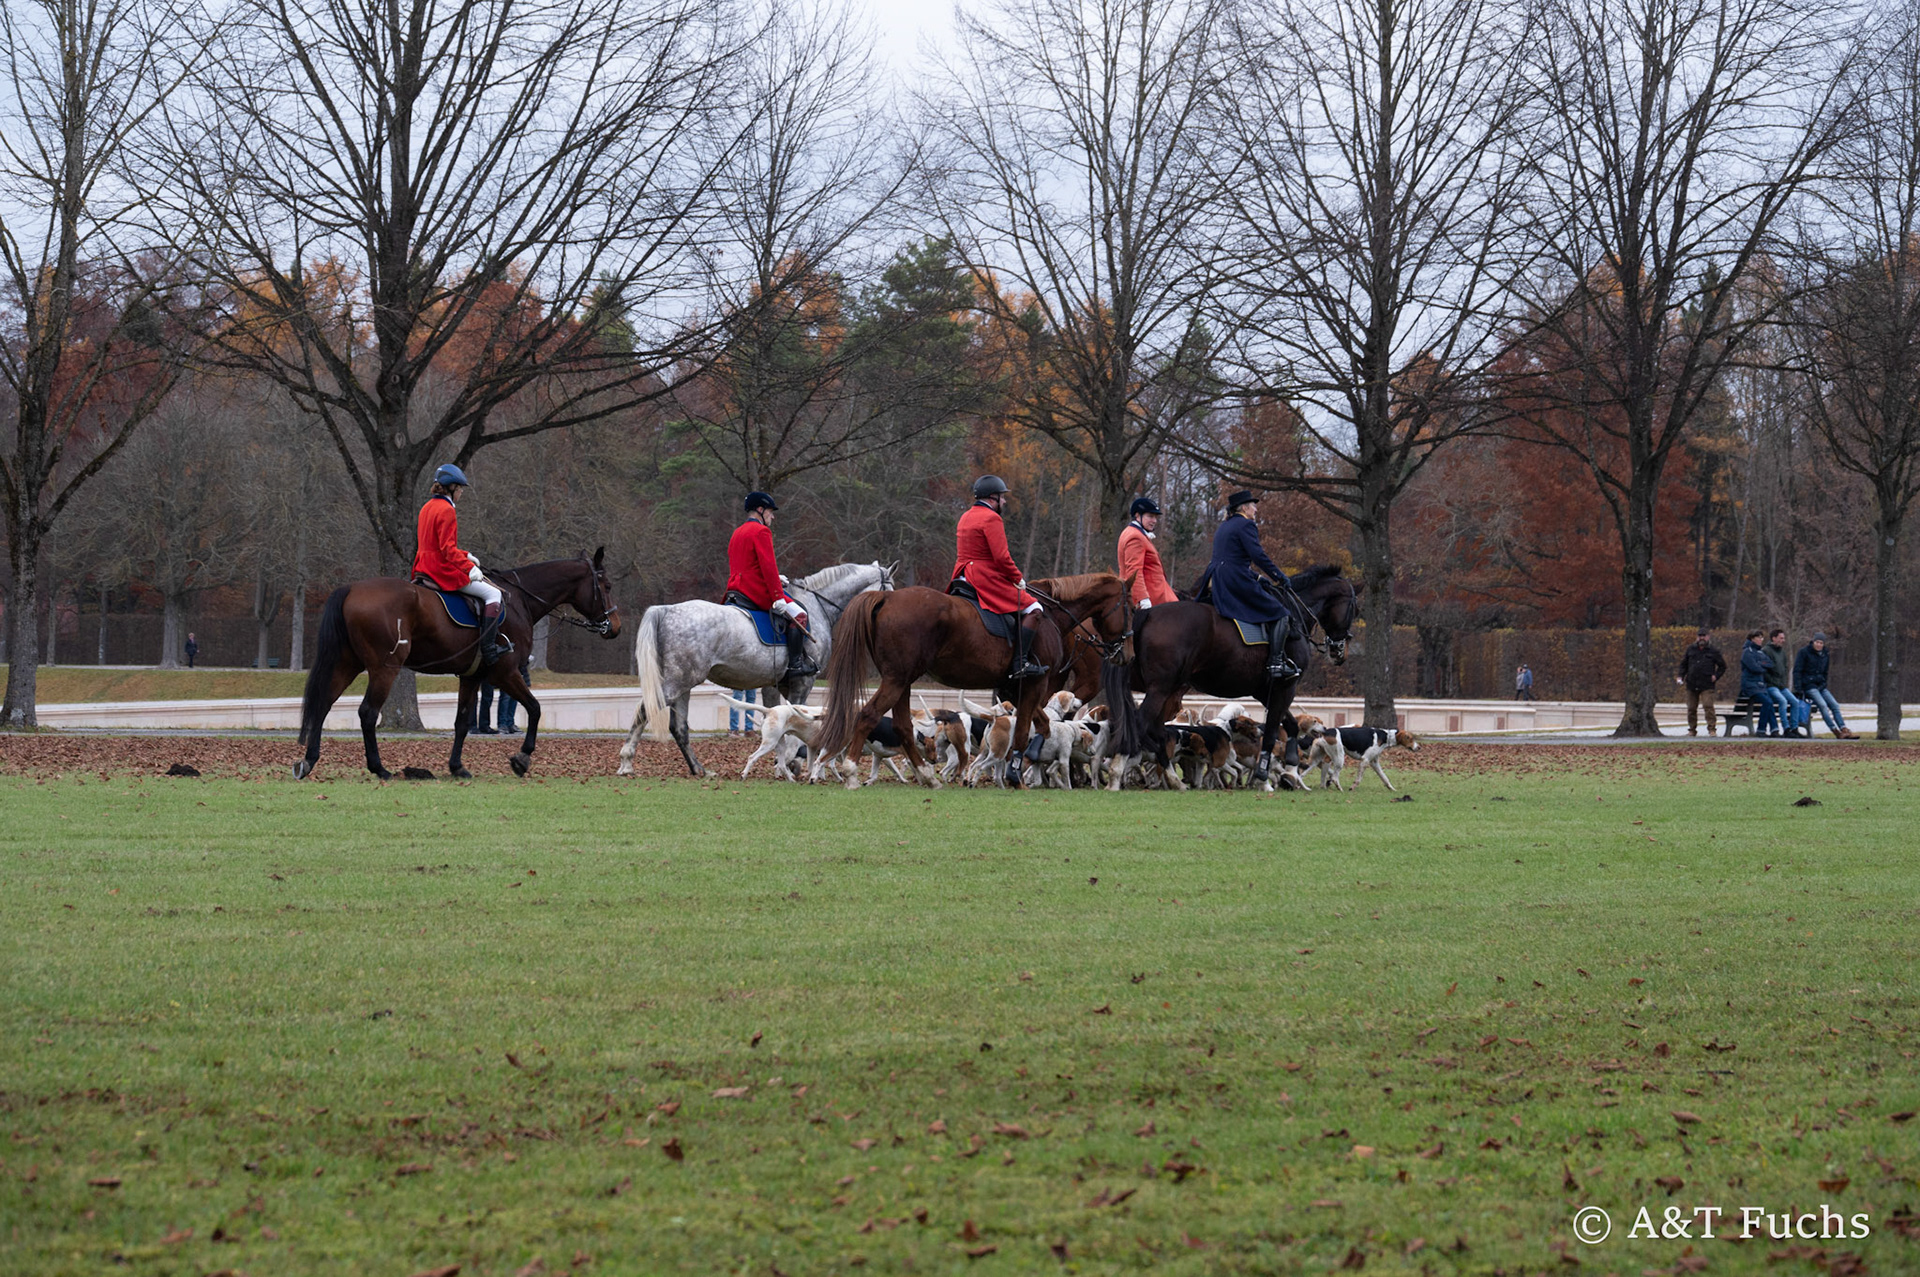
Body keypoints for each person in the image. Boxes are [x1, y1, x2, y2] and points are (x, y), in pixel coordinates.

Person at [1191, 490, 1300, 680]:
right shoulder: (1246, 525)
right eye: (1253, 505)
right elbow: (1258, 556)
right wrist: (1279, 576)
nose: (1256, 509)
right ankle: (1276, 663)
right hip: (1235, 579)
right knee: (1281, 614)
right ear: (1244, 508)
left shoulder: (1224, 526)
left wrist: (1258, 578)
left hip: (1217, 578)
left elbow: (1231, 558)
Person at [414, 463, 511, 667]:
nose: (461, 493)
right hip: (440, 570)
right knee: (494, 594)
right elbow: (447, 550)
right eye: (460, 489)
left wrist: (467, 556)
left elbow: (434, 545)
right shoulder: (447, 510)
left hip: (423, 567)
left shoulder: (427, 507)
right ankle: (488, 649)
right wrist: (469, 568)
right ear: (452, 488)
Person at [952, 475, 1047, 680]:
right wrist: (1017, 578)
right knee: (1035, 609)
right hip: (983, 577)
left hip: (961, 576)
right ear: (992, 497)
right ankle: (1020, 663)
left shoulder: (965, 516)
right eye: (1002, 497)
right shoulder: (991, 518)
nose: (1004, 501)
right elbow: (1002, 558)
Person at [724, 492, 815, 680]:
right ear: (760, 509)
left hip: (734, 589)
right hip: (753, 590)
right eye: (770, 512)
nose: (772, 516)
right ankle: (795, 665)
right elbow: (768, 566)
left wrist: (776, 578)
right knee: (800, 614)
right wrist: (777, 597)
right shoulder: (761, 531)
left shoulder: (737, 532)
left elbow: (745, 565)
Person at [1116, 497, 1179, 610]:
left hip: (1158, 595)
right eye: (1150, 516)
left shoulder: (1132, 533)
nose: (1154, 520)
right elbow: (1134, 571)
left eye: (1155, 517)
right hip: (1154, 600)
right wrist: (1143, 598)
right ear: (1137, 515)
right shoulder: (1135, 537)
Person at [1793, 631, 1858, 739]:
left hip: (1821, 685)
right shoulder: (1804, 652)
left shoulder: (1825, 654)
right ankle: (1834, 730)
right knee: (1823, 705)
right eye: (1817, 642)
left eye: (1821, 643)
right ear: (1813, 642)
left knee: (1835, 705)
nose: (1819, 645)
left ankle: (1843, 728)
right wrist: (1798, 687)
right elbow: (1797, 671)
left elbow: (1825, 672)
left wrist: (1823, 683)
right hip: (1809, 685)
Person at [1674, 628, 1726, 736]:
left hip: (1707, 683)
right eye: (1700, 636)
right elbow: (1684, 665)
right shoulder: (1690, 649)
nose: (1702, 638)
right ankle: (1692, 729)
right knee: (1691, 708)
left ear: (1708, 637)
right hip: (1692, 683)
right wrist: (1680, 676)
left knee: (1708, 706)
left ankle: (1712, 729)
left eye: (1704, 636)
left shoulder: (1713, 651)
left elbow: (1722, 666)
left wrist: (1716, 676)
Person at [1764, 628, 1807, 737]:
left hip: (1781, 686)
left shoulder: (1782, 652)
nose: (1783, 640)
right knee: (1783, 701)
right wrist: (1773, 681)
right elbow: (1764, 671)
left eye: (1783, 638)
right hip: (1771, 686)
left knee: (1795, 702)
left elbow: (1785, 668)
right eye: (1781, 638)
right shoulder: (1766, 651)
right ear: (1774, 638)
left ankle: (1794, 728)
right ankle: (1786, 729)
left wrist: (1783, 682)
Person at [1738, 629, 1782, 735]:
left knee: (1769, 702)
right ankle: (1761, 729)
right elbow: (1754, 668)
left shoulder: (1760, 652)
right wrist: (1762, 666)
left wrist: (1760, 664)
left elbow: (1770, 664)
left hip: (1760, 685)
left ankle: (1774, 729)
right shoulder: (1747, 652)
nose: (1761, 640)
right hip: (1750, 685)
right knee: (1767, 702)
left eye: (1762, 638)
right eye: (1759, 637)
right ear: (1752, 639)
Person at [475, 654, 530, 735]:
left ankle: (509, 723)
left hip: (514, 666)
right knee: (503, 696)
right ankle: (502, 724)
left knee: (513, 696)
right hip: (500, 666)